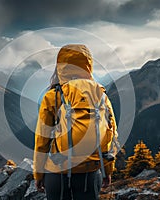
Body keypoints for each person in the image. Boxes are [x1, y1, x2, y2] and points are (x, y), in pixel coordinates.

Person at [33, 44, 117, 200]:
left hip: (57, 172)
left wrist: (38, 173)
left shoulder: (53, 96)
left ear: (60, 67)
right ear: (88, 65)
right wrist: (107, 170)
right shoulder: (100, 95)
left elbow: (42, 140)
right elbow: (110, 134)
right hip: (90, 172)